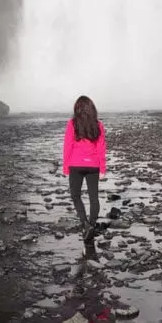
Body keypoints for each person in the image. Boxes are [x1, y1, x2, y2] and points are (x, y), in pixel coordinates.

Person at [62, 95, 106, 243]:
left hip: (76, 165)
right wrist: (102, 168)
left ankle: (85, 224)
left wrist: (65, 167)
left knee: (75, 195)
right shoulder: (98, 125)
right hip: (93, 165)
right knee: (94, 198)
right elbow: (101, 148)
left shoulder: (72, 124)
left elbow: (67, 147)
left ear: (77, 109)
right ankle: (91, 225)